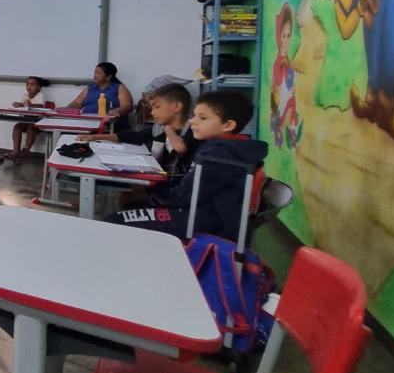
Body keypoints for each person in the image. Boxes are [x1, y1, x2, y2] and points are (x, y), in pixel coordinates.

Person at [104, 90, 267, 240]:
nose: (193, 121)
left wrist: (153, 200)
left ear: (228, 125)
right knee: (128, 209)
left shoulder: (219, 155)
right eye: (195, 115)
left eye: (203, 118)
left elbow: (185, 195)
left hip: (204, 223)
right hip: (205, 215)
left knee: (112, 221)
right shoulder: (226, 148)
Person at [80, 82, 198, 181]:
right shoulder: (158, 128)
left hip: (172, 191)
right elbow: (133, 136)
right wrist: (95, 137)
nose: (152, 113)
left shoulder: (193, 133)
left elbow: (181, 150)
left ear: (177, 107)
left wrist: (169, 130)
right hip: (156, 182)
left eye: (157, 107)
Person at [66, 62, 134, 128]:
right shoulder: (90, 88)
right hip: (87, 123)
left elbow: (127, 105)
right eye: (95, 72)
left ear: (108, 77)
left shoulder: (119, 87)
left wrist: (117, 111)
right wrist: (67, 108)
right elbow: (77, 102)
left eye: (99, 73)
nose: (95, 75)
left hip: (110, 126)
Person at [5, 76, 50, 162]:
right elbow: (22, 104)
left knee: (31, 127)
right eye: (27, 84)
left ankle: (26, 150)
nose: (29, 87)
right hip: (25, 119)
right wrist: (18, 104)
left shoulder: (40, 95)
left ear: (39, 87)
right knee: (17, 127)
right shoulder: (25, 94)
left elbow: (40, 106)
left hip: (37, 120)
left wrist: (30, 105)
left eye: (32, 84)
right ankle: (16, 152)